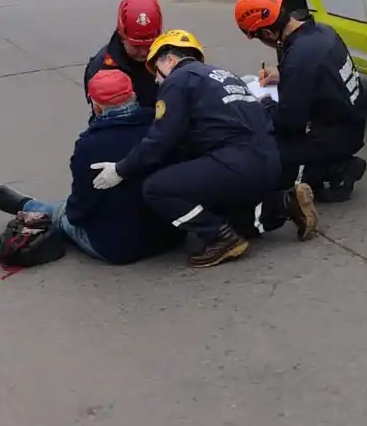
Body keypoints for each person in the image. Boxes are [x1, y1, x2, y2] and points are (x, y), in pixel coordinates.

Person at [90, 29, 319, 269]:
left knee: (156, 189)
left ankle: (220, 238)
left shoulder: (178, 80)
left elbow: (160, 140)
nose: (156, 80)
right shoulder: (224, 75)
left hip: (235, 162)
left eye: (155, 71)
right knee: (226, 214)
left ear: (170, 60)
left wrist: (120, 169)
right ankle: (285, 203)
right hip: (269, 161)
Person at [0, 69, 183, 264]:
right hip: (171, 236)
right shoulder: (160, 127)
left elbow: (79, 210)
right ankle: (39, 207)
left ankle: (30, 206)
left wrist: (67, 213)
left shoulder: (89, 145)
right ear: (133, 95)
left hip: (117, 247)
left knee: (63, 211)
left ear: (96, 106)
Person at [234, 0, 367, 202]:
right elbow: (318, 74)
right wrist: (282, 74)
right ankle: (331, 163)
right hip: (349, 124)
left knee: (262, 165)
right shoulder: (322, 32)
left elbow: (288, 122)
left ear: (268, 33)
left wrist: (263, 104)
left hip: (332, 136)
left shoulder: (299, 57)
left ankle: (336, 170)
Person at [83, 0, 161, 109]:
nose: (144, 52)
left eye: (150, 44)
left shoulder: (169, 61)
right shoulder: (101, 68)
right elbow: (98, 121)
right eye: (136, 46)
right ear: (122, 37)